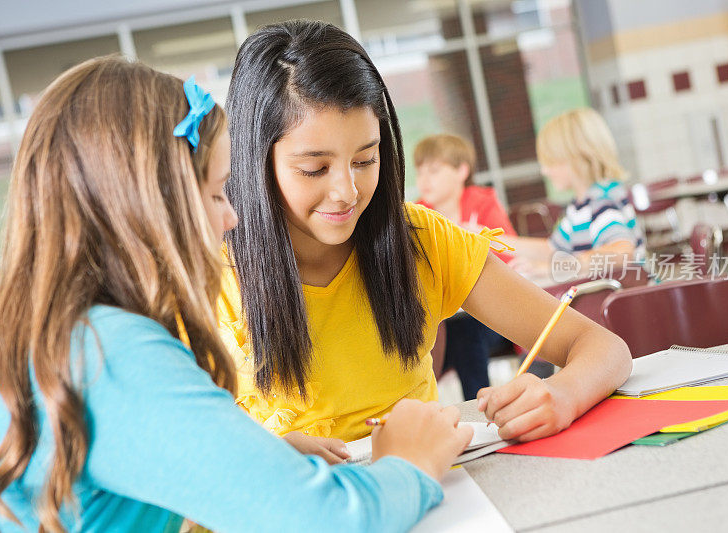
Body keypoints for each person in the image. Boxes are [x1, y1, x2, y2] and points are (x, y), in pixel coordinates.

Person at [0, 56, 473, 533]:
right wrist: (411, 462)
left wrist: (253, 462)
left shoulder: (55, 338)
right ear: (147, 207)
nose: (232, 216)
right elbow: (335, 521)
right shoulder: (111, 352)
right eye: (216, 195)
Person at [218, 20, 632, 465]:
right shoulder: (205, 274)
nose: (347, 191)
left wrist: (562, 395)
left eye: (365, 159)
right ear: (255, 161)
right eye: (315, 169)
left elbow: (605, 349)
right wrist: (258, 457)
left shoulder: (421, 241)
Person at [413, 133, 518, 400]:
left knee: (464, 333)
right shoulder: (417, 214)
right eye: (420, 172)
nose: (424, 180)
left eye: (434, 171)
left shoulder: (482, 203)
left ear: (462, 171)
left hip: (494, 318)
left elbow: (508, 255)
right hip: (444, 322)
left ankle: (478, 405)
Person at [500, 107, 646, 278]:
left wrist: (555, 268)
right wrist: (491, 240)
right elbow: (552, 249)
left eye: (550, 162)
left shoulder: (600, 201)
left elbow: (622, 252)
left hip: (630, 301)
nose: (544, 171)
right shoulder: (580, 207)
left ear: (576, 159)